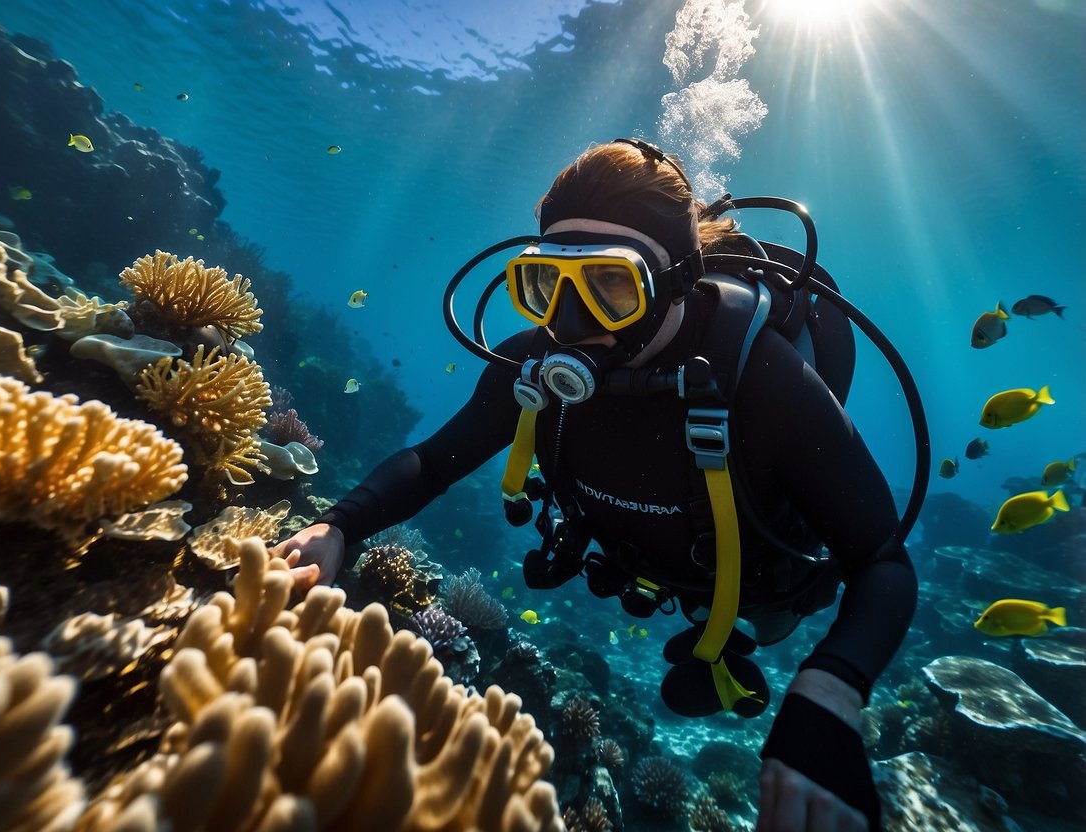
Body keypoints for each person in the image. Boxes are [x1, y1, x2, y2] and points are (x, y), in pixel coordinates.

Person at [271, 139, 917, 832]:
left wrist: (827, 696)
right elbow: (432, 464)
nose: (570, 323)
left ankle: (731, 639)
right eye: (547, 285)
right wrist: (336, 526)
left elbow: (879, 563)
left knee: (767, 621)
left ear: (675, 278)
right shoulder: (532, 367)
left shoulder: (760, 379)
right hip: (640, 562)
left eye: (611, 284)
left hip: (756, 572)